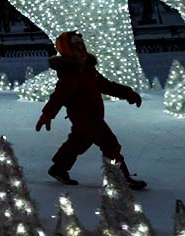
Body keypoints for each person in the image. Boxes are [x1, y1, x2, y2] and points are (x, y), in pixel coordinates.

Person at [34, 30, 147, 190]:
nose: (81, 52)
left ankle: (59, 168)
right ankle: (120, 177)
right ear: (68, 53)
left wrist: (128, 93)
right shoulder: (71, 74)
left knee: (78, 142)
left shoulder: (88, 70)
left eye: (82, 47)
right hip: (85, 117)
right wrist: (47, 114)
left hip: (92, 115)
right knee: (110, 144)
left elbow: (107, 86)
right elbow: (59, 96)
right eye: (76, 49)